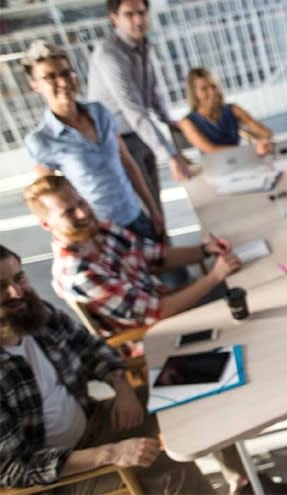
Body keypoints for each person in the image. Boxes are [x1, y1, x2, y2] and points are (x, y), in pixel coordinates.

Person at [0, 244, 216, 494]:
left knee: (195, 380)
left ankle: (240, 479)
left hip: (96, 420)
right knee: (172, 470)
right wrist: (111, 453)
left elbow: (93, 349)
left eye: (19, 278)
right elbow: (14, 468)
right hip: (63, 476)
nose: (16, 293)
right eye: (1, 287)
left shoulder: (36, 315)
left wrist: (122, 387)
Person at [23, 175, 240, 334]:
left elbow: (154, 256)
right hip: (157, 334)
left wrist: (204, 251)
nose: (83, 213)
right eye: (68, 212)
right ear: (46, 224)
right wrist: (214, 276)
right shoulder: (78, 273)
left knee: (243, 284)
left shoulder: (102, 229)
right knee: (241, 295)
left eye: (81, 202)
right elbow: (157, 314)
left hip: (167, 304)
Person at [22, 40, 166, 243]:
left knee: (174, 272)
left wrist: (153, 210)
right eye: (50, 77)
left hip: (135, 216)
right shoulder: (42, 141)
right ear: (35, 85)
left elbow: (127, 162)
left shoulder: (99, 112)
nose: (62, 82)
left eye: (65, 73)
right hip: (99, 233)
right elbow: (51, 204)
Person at [88, 0, 192, 200]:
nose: (138, 20)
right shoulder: (110, 54)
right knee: (141, 203)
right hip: (117, 141)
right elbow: (133, 109)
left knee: (153, 198)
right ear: (115, 19)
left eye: (142, 12)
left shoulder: (143, 45)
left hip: (138, 134)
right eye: (129, 14)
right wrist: (170, 154)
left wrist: (168, 119)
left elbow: (151, 90)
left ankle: (161, 231)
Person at [179, 67, 274, 156]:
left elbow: (265, 133)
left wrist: (263, 141)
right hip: (217, 170)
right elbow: (211, 151)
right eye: (204, 89)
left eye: (214, 86)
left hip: (243, 161)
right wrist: (251, 149)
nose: (212, 92)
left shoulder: (233, 109)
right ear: (194, 93)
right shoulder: (187, 122)